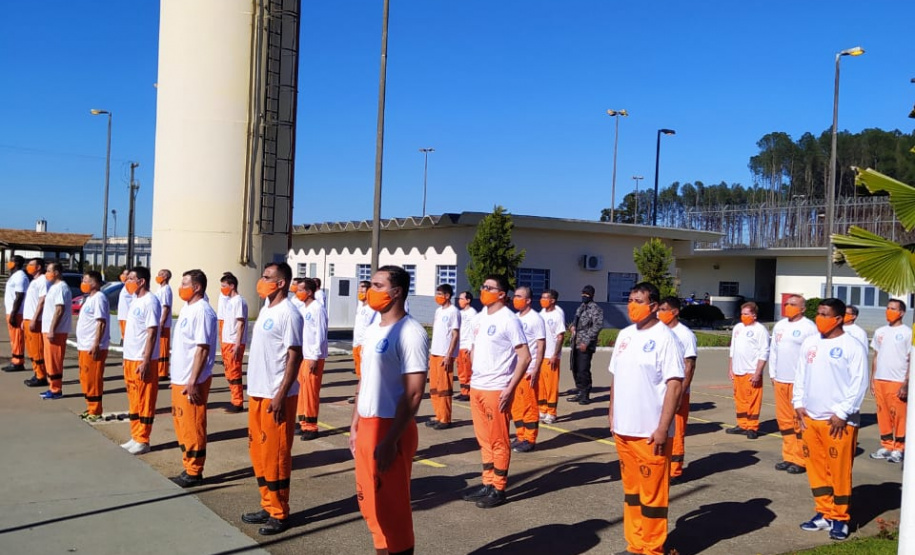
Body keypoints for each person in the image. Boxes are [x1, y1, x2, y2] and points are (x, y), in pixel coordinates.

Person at [350, 265, 428, 554]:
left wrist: (391, 439)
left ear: (396, 292)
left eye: (378, 285)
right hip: (368, 426)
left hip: (390, 428)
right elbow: (365, 381)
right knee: (370, 505)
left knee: (392, 510)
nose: (371, 291)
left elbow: (414, 392)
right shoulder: (372, 331)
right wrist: (355, 425)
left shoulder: (410, 332)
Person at [608, 282, 684, 555]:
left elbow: (674, 385)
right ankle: (635, 544)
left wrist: (663, 427)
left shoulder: (666, 338)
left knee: (652, 496)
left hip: (650, 432)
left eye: (638, 301)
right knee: (632, 493)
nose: (632, 306)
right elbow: (616, 376)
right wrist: (612, 412)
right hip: (624, 430)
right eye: (630, 300)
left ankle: (652, 548)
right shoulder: (625, 335)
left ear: (653, 306)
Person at [794, 298, 867, 541]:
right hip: (811, 419)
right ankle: (823, 512)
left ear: (838, 319)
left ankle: (840, 518)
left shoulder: (853, 346)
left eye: (825, 314)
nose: (820, 318)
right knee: (816, 470)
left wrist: (843, 412)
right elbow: (800, 375)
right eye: (818, 314)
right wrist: (798, 403)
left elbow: (859, 383)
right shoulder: (810, 343)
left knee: (839, 471)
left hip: (838, 423)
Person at [241, 262, 303, 536]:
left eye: (267, 277)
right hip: (258, 392)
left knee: (276, 456)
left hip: (277, 397)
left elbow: (295, 356)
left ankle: (280, 512)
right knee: (260, 453)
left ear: (281, 283)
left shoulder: (289, 313)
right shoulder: (267, 308)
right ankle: (267, 504)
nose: (261, 281)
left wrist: (280, 394)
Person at [462, 275, 531, 509]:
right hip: (477, 387)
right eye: (483, 286)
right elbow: (473, 348)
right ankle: (487, 483)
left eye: (489, 288)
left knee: (499, 440)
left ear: (502, 294)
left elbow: (525, 357)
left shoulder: (509, 320)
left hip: (497, 389)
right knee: (484, 441)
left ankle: (499, 488)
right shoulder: (479, 318)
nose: (484, 290)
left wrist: (510, 388)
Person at [170, 269, 218, 487]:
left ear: (197, 287)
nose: (181, 287)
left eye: (185, 283)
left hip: (193, 379)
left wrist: (193, 380)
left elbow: (202, 349)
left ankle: (194, 470)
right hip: (180, 377)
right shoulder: (188, 309)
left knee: (193, 424)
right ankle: (187, 463)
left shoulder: (203, 311)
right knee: (182, 423)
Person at [769, 295, 817, 474]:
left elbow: (812, 355)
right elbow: (774, 350)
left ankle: (801, 459)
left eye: (793, 305)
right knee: (785, 422)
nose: (788, 307)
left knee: (799, 422)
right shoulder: (780, 326)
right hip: (781, 380)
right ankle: (788, 456)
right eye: (787, 304)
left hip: (798, 383)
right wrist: (772, 374)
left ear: (802, 309)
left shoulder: (809, 327)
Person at [120, 266, 162, 456]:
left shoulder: (150, 301)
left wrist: (146, 360)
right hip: (130, 358)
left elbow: (152, 332)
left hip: (143, 359)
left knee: (145, 400)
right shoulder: (135, 300)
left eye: (131, 278)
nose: (127, 282)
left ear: (142, 281)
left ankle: (143, 439)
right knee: (134, 400)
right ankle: (135, 434)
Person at [657, 296, 697, 481]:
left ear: (675, 312)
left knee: (677, 431)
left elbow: (689, 365)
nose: (660, 313)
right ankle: (662, 465)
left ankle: (675, 469)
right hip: (661, 391)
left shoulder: (685, 334)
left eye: (664, 309)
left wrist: (681, 392)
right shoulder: (659, 332)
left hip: (678, 391)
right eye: (659, 309)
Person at [869, 299, 911, 464]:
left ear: (901, 312)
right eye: (887, 308)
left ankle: (899, 448)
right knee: (883, 415)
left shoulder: (907, 332)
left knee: (900, 417)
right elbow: (876, 356)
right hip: (880, 380)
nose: (889, 311)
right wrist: (873, 379)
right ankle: (887, 446)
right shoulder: (880, 332)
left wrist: (906, 383)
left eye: (893, 309)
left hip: (897, 381)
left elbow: (911, 359)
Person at [727, 301, 769, 439]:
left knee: (753, 400)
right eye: (742, 314)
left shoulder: (760, 330)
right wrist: (731, 368)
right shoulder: (738, 328)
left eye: (746, 314)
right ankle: (742, 424)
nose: (743, 316)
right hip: (738, 370)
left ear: (754, 315)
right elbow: (733, 349)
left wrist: (758, 372)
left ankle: (752, 426)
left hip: (751, 371)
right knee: (740, 399)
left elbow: (764, 352)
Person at [511, 286, 545, 453]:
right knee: (517, 406)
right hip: (515, 370)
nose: (515, 299)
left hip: (529, 369)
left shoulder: (535, 319)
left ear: (528, 300)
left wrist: (536, 368)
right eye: (515, 296)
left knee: (529, 406)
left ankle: (530, 439)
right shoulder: (515, 318)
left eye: (519, 296)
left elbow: (540, 346)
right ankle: (520, 435)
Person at [295, 277, 328, 441]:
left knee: (310, 392)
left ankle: (311, 426)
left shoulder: (317, 308)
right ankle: (302, 422)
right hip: (303, 354)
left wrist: (315, 356)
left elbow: (321, 334)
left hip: (312, 356)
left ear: (309, 292)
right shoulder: (303, 308)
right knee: (301, 390)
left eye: (300, 290)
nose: (297, 292)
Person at [76, 270, 110, 420]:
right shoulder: (89, 298)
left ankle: (96, 410)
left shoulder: (99, 298)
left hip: (93, 346)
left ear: (95, 283)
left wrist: (96, 343)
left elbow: (101, 322)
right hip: (83, 345)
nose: (83, 283)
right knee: (85, 378)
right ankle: (90, 407)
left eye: (86, 281)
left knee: (93, 379)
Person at [427, 284, 461, 430]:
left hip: (444, 355)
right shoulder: (438, 311)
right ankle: (438, 415)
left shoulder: (454, 312)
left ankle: (445, 418)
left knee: (444, 387)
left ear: (447, 296)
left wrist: (449, 355)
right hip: (434, 352)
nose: (437, 296)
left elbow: (455, 335)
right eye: (437, 293)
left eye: (440, 293)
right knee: (434, 387)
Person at [39, 262, 72, 400]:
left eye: (49, 271)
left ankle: (56, 389)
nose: (47, 273)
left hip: (56, 332)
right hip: (49, 330)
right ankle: (52, 386)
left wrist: (52, 329)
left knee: (54, 361)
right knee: (49, 361)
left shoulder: (61, 287)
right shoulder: (54, 287)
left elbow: (59, 309)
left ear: (56, 272)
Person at [568, 284, 603, 405]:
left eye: (587, 294)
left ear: (592, 295)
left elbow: (597, 326)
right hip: (576, 343)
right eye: (583, 293)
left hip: (585, 345)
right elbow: (576, 321)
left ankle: (585, 394)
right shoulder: (581, 307)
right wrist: (572, 326)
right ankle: (579, 391)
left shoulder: (595, 309)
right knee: (575, 368)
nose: (584, 296)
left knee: (583, 369)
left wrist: (586, 342)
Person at [220, 272, 248, 413]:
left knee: (234, 372)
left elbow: (241, 323)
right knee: (229, 372)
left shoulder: (238, 301)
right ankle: (234, 399)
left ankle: (238, 402)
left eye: (224, 286)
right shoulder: (230, 301)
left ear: (232, 286)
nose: (222, 288)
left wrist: (237, 344)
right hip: (227, 341)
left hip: (233, 342)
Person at [537, 289, 566, 424]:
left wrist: (555, 354)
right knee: (541, 385)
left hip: (551, 356)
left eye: (545, 298)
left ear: (552, 300)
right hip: (541, 355)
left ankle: (552, 413)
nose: (542, 300)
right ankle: (542, 409)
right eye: (542, 297)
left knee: (551, 386)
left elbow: (560, 336)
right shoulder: (541, 314)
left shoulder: (557, 315)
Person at [22, 259, 49, 387]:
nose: (28, 267)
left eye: (31, 265)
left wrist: (34, 318)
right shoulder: (34, 281)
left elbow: (42, 300)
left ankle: (41, 376)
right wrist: (25, 319)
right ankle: (36, 372)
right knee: (32, 350)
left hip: (36, 321)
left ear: (38, 267)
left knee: (37, 350)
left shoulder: (43, 280)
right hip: (28, 319)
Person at [3, 255, 28, 373]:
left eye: (11, 261)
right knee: (13, 338)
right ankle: (15, 359)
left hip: (17, 313)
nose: (9, 263)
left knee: (17, 338)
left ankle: (18, 362)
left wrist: (14, 313)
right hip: (11, 311)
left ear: (17, 263)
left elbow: (19, 296)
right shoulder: (14, 275)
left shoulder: (20, 277)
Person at [455, 290, 478, 402]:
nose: (459, 301)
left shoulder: (472, 313)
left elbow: (474, 331)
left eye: (461, 299)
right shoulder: (460, 313)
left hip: (466, 346)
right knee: (460, 371)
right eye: (459, 299)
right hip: (459, 346)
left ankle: (468, 392)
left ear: (468, 300)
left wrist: (470, 346)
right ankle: (463, 391)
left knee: (467, 371)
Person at [155, 269, 174, 380]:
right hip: (158, 321)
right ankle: (158, 369)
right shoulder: (159, 289)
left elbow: (166, 307)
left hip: (164, 323)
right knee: (159, 347)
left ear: (166, 277)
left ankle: (163, 372)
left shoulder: (166, 289)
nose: (159, 276)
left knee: (163, 347)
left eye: (161, 274)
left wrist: (162, 323)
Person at [117, 268, 134, 344]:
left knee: (127, 335)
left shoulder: (130, 285)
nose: (123, 276)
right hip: (122, 315)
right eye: (123, 274)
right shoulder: (125, 286)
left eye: (126, 274)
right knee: (123, 333)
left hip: (126, 315)